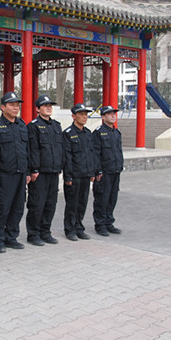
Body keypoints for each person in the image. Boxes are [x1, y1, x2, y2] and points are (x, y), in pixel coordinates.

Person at [0, 92, 29, 253]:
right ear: (3, 107)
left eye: (17, 105)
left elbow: (27, 150)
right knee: (3, 208)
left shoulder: (22, 125)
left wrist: (27, 171)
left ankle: (11, 238)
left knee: (18, 207)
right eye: (12, 105)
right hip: (4, 175)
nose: (15, 108)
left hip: (21, 173)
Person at [26, 94, 63, 246]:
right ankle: (33, 234)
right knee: (37, 204)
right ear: (37, 109)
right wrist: (33, 169)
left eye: (50, 106)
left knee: (50, 204)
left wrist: (60, 166)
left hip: (54, 172)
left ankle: (45, 232)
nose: (48, 108)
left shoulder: (56, 126)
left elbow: (60, 148)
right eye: (45, 105)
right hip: (39, 173)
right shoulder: (33, 126)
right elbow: (32, 150)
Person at [62, 103, 99, 241]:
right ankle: (70, 229)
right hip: (74, 175)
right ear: (73, 116)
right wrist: (68, 176)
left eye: (86, 114)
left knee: (82, 203)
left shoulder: (88, 133)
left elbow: (91, 154)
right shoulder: (68, 134)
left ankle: (79, 228)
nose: (84, 117)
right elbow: (67, 157)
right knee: (72, 204)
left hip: (86, 174)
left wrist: (92, 172)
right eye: (81, 114)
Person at [92, 105, 124, 236]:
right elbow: (95, 154)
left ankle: (109, 222)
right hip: (104, 173)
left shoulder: (116, 133)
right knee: (102, 198)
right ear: (103, 117)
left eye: (114, 114)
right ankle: (100, 224)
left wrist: (120, 166)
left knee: (112, 198)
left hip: (115, 171)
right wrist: (98, 171)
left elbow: (119, 152)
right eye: (109, 114)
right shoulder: (98, 133)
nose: (113, 116)